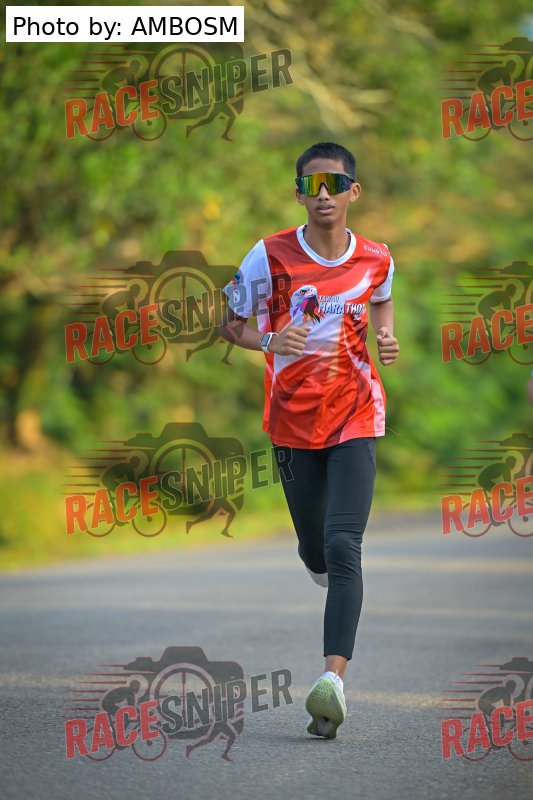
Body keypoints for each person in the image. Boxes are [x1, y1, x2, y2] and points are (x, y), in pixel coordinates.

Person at [219, 142, 399, 739]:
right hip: (291, 422)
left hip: (356, 414)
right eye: (311, 184)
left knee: (344, 545)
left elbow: (382, 301)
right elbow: (229, 324)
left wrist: (386, 336)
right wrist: (270, 342)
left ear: (354, 192)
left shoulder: (376, 257)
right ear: (298, 193)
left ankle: (332, 682)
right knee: (315, 549)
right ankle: (315, 558)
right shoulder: (268, 255)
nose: (323, 194)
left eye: (335, 183)